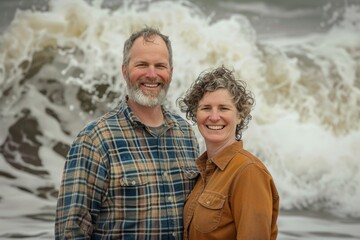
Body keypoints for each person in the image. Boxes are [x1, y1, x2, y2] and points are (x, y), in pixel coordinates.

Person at [55, 26, 200, 239]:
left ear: (170, 72)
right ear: (125, 71)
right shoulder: (95, 139)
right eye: (142, 65)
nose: (152, 75)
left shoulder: (185, 135)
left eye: (160, 66)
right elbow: (71, 232)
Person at [178, 66, 279, 240]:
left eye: (224, 108)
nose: (214, 116)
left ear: (239, 115)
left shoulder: (249, 172)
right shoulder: (203, 172)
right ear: (195, 114)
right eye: (206, 108)